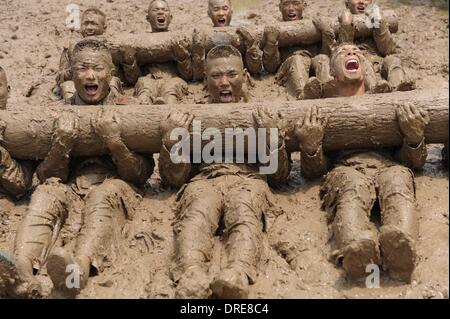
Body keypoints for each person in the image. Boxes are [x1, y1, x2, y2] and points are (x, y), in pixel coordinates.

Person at [2, 40, 157, 298]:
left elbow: (141, 174)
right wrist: (62, 144)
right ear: (71, 74)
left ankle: (78, 273)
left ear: (110, 73)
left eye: (97, 68)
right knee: (45, 194)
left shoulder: (129, 113)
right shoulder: (57, 114)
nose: (90, 75)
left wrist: (115, 143)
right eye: (82, 68)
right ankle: (21, 272)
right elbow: (48, 175)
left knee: (104, 196)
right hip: (69, 185)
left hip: (115, 184)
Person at [273, 42, 429, 282]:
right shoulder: (319, 109)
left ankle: (401, 249)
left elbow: (413, 163)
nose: (351, 52)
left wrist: (414, 139)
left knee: (398, 183)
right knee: (350, 190)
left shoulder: (390, 99)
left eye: (357, 51)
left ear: (365, 68)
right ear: (333, 73)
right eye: (342, 52)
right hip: (346, 168)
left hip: (389, 165)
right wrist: (311, 147)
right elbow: (313, 173)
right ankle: (356, 249)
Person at [160, 45, 291, 299]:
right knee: (197, 213)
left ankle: (239, 272)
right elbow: (173, 178)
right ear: (205, 80)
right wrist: (171, 142)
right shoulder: (190, 116)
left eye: (231, 74)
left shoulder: (261, 114)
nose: (224, 83)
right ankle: (191, 273)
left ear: (245, 76)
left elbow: (278, 177)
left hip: (248, 179)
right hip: (204, 178)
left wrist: (273, 139)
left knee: (244, 210)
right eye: (215, 76)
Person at [120, 0, 190, 105]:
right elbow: (133, 79)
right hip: (149, 78)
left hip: (173, 78)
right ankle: (144, 104)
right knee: (144, 84)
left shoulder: (178, 39)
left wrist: (182, 58)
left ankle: (168, 104)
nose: (160, 12)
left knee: (173, 87)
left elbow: (188, 75)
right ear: (147, 18)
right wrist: (130, 62)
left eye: (164, 10)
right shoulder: (140, 41)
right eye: (156, 10)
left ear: (171, 17)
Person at [337, 0, 415, 93]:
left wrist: (380, 24)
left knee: (393, 60)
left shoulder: (376, 18)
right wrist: (346, 26)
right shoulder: (340, 23)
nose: (361, 1)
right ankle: (373, 88)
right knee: (361, 61)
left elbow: (388, 51)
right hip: (358, 67)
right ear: (347, 4)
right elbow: (342, 53)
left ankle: (398, 85)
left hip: (379, 63)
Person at [55, 7, 123, 102]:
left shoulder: (112, 47)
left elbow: (127, 76)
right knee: (68, 86)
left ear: (104, 27)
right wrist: (75, 68)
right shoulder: (72, 47)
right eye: (85, 23)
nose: (89, 28)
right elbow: (60, 77)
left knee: (113, 82)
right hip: (78, 85)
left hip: (105, 84)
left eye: (94, 24)